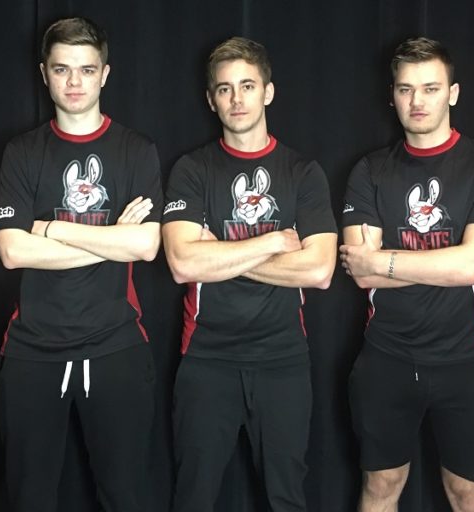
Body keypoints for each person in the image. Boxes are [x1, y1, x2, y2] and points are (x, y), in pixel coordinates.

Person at [0, 17, 161, 512]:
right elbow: (12, 251)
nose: (74, 82)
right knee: (30, 499)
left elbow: (146, 246)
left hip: (116, 346)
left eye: (86, 70)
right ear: (44, 74)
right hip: (32, 351)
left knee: (125, 497)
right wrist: (113, 239)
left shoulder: (135, 150)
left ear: (104, 74)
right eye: (62, 69)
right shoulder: (23, 152)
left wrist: (50, 228)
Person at [161, 36, 337, 512]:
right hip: (206, 360)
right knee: (193, 498)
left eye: (247, 86)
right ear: (211, 100)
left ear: (268, 92)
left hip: (283, 360)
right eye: (224, 89)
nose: (236, 99)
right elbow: (182, 263)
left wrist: (218, 252)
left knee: (286, 499)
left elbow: (320, 269)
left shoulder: (303, 172)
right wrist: (274, 242)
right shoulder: (192, 170)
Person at [339, 37, 474, 512]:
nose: (417, 101)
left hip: (465, 360)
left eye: (430, 88)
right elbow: (361, 273)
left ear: (452, 93)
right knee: (380, 488)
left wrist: (384, 260)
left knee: (469, 495)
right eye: (406, 89)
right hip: (386, 358)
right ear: (392, 96)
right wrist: (444, 263)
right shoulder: (370, 170)